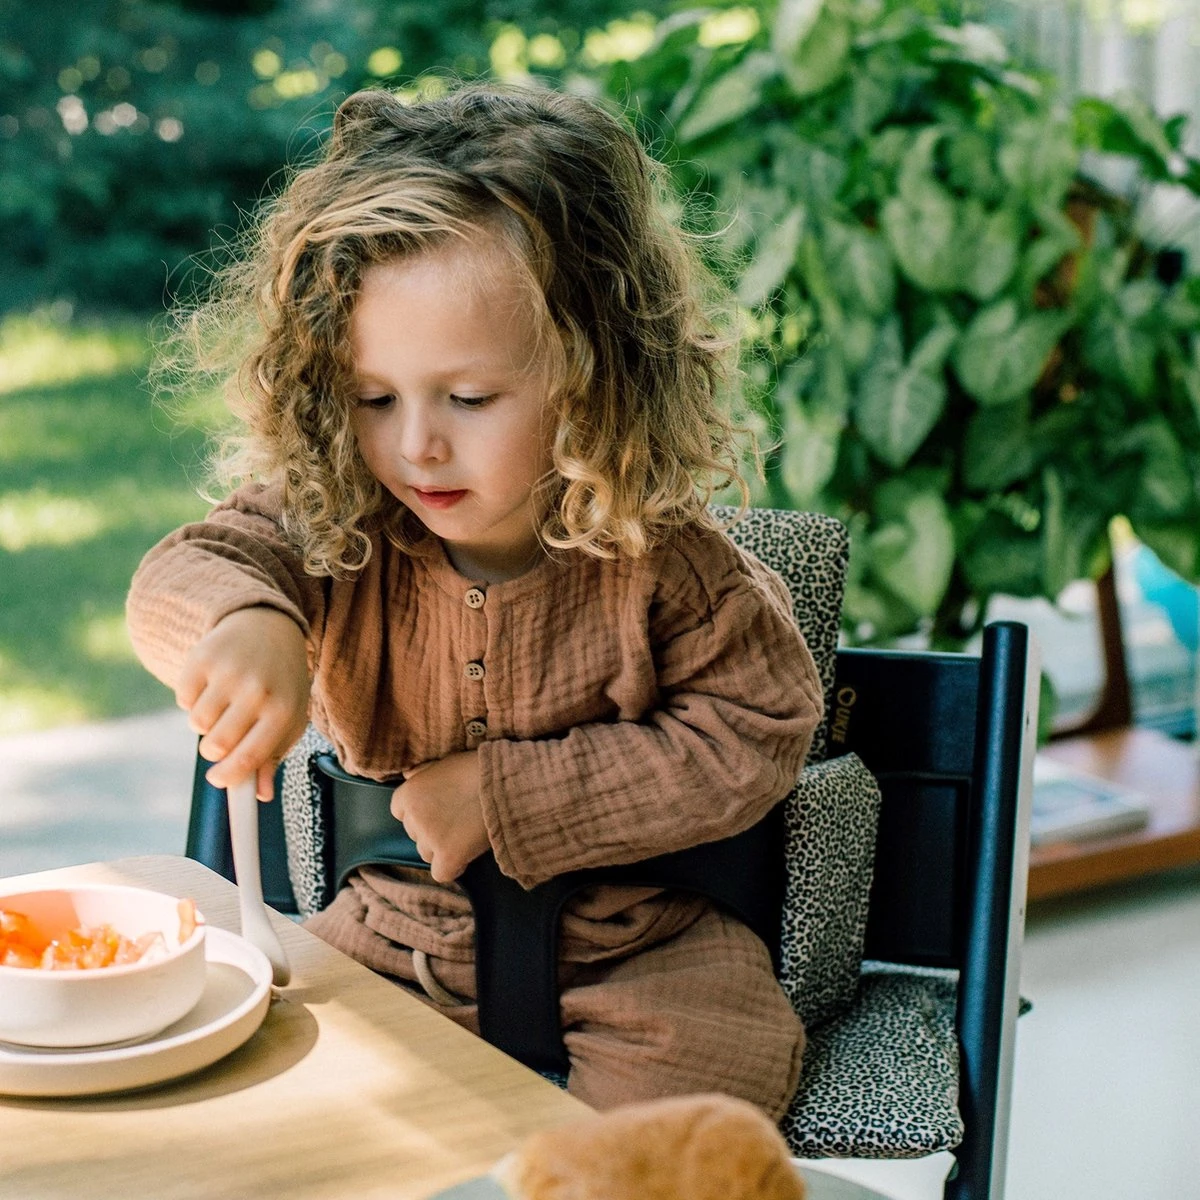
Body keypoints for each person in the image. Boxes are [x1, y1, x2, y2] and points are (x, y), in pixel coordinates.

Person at [127, 82, 823, 1119]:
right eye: (373, 398)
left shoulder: (664, 556)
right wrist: (245, 621)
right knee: (285, 1115)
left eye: (469, 398)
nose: (417, 444)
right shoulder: (337, 521)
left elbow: (760, 727)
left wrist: (506, 798)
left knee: (678, 1140)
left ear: (597, 374)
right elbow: (191, 565)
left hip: (649, 959)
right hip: (397, 942)